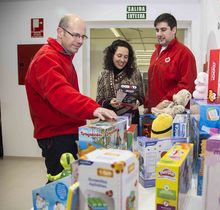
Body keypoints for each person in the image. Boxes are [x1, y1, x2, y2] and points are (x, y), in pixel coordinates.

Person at [25, 14, 117, 183]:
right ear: (60, 32)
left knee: (73, 182)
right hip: (57, 135)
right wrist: (93, 108)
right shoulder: (47, 58)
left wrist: (92, 107)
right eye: (75, 35)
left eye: (83, 36)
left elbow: (70, 92)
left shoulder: (63, 57)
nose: (80, 41)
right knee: (61, 184)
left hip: (66, 132)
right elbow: (61, 93)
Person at [144, 13, 197, 112]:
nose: (159, 34)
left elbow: (187, 86)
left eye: (163, 30)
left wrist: (164, 102)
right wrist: (147, 105)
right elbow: (152, 84)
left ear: (174, 30)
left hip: (171, 113)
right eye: (157, 30)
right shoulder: (155, 54)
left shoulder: (184, 53)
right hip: (153, 111)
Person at [96, 39, 144, 124]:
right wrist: (109, 102)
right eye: (119, 55)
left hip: (131, 119)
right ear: (112, 55)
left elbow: (142, 97)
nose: (122, 60)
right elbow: (99, 100)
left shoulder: (135, 73)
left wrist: (137, 102)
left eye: (126, 57)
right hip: (109, 120)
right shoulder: (103, 75)